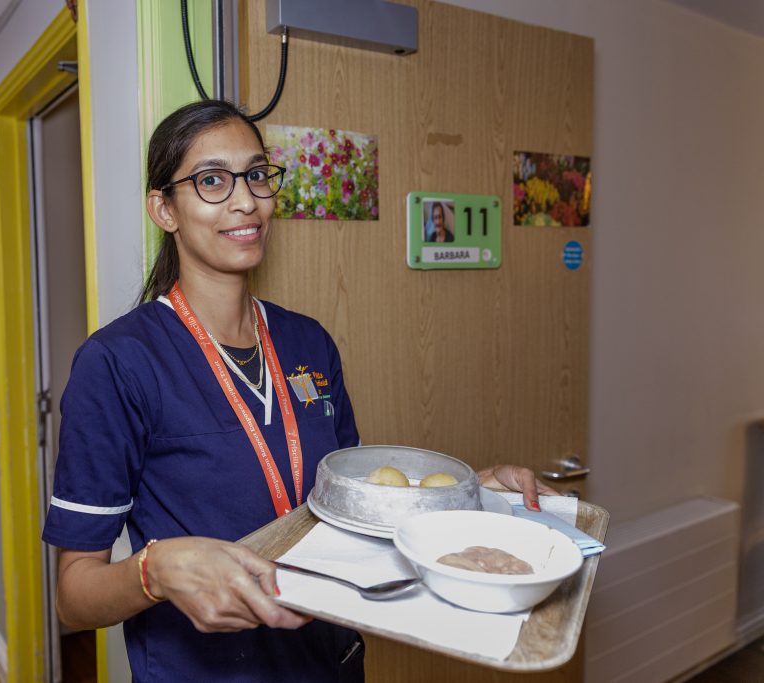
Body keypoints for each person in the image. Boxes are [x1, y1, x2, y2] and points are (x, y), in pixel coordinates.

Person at [42, 100, 557, 682]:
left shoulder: (307, 341)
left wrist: (465, 491)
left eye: (257, 174)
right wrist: (154, 569)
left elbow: (349, 506)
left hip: (329, 661)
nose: (246, 200)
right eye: (212, 180)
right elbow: (73, 595)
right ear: (164, 209)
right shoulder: (118, 363)